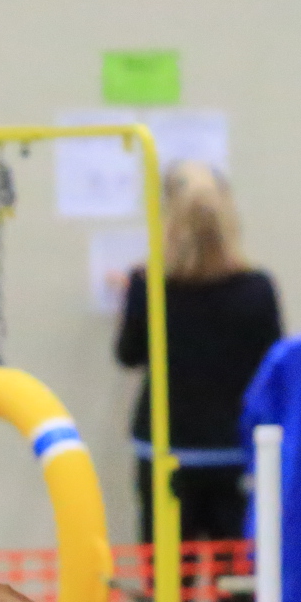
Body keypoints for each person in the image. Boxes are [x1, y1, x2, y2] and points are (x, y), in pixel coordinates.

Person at [116, 162, 284, 546]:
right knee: (237, 569)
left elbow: (128, 355)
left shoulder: (147, 286)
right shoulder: (257, 289)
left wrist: (131, 303)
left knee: (168, 572)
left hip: (165, 448)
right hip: (233, 448)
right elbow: (272, 364)